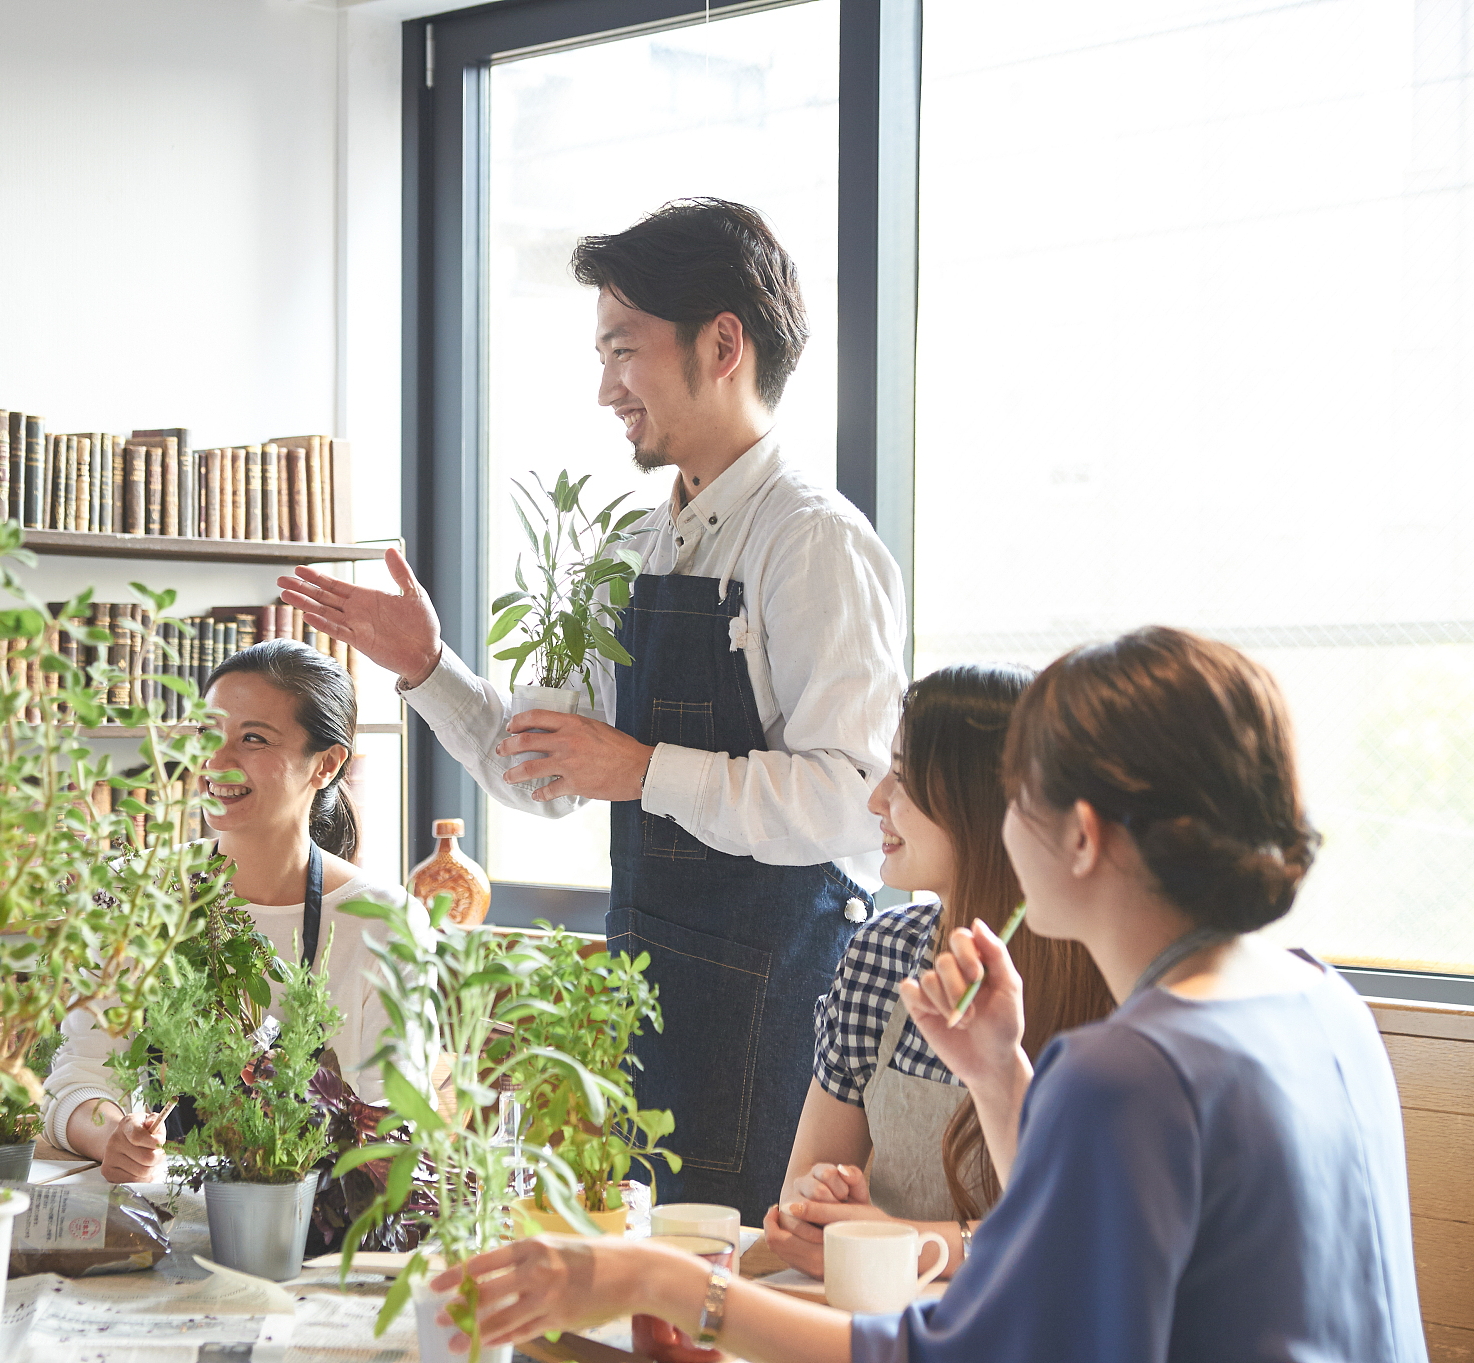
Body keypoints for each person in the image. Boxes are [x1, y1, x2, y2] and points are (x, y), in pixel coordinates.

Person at [423, 626, 1426, 1363]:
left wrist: (660, 1280)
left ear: (1077, 835)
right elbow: (1094, 1242)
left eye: (1016, 793)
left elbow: (956, 1349)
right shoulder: (1316, 1000)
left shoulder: (1130, 1067)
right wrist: (998, 1071)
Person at [281, 199, 907, 1222]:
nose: (604, 386)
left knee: (744, 1293)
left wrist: (639, 768)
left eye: (622, 349)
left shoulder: (814, 545)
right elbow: (542, 774)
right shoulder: (628, 544)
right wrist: (426, 665)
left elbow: (848, 803)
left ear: (721, 343)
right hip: (651, 995)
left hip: (780, 1002)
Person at [764, 665, 1114, 1278]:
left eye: (902, 775)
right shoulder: (880, 953)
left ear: (979, 800)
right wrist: (818, 1206)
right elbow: (799, 1186)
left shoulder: (1103, 976)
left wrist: (895, 1242)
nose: (877, 799)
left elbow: (1076, 1236)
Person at [41, 639, 423, 1182]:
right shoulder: (141, 894)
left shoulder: (385, 921)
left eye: (252, 739)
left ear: (327, 763)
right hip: (165, 1212)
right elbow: (80, 1073)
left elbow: (397, 1118)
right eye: (206, 733)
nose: (216, 762)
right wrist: (113, 1136)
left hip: (314, 1223)